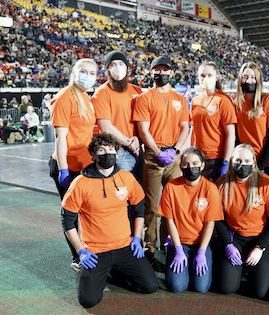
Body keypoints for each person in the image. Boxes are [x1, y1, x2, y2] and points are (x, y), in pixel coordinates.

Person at [61, 133, 158, 308]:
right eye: (102, 150)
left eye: (111, 149)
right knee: (88, 301)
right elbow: (67, 220)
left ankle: (113, 270)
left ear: (117, 152)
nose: (108, 154)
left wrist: (137, 238)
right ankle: (104, 270)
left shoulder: (126, 178)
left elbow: (140, 208)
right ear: (93, 155)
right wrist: (80, 251)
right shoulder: (80, 183)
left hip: (125, 247)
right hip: (96, 251)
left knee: (150, 286)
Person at [133, 56, 190, 267]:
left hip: (174, 157)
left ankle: (169, 244)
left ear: (171, 73)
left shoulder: (180, 99)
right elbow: (143, 130)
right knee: (151, 205)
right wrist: (158, 151)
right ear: (151, 73)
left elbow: (185, 127)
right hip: (153, 156)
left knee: (172, 205)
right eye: (157, 70)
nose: (161, 73)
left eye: (165, 70)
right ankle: (150, 248)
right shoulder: (145, 98)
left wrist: (175, 150)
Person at [49, 58, 98, 271]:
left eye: (92, 73)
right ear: (74, 72)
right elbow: (60, 139)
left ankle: (90, 248)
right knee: (71, 214)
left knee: (87, 212)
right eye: (83, 71)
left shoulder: (85, 97)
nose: (87, 76)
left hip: (85, 164)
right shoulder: (64, 98)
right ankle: (77, 256)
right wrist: (63, 169)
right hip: (68, 166)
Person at [157, 147, 224, 293]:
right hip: (179, 243)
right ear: (181, 166)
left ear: (202, 165)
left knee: (201, 287)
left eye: (195, 164)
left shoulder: (210, 188)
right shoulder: (171, 187)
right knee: (177, 287)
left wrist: (201, 252)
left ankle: (201, 257)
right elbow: (170, 221)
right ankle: (173, 253)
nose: (190, 167)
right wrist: (178, 250)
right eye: (186, 164)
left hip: (201, 244)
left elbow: (210, 223)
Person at [214, 144, 269, 299]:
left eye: (247, 160)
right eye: (238, 161)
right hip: (235, 238)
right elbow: (218, 219)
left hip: (260, 240)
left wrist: (260, 248)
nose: (242, 165)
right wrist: (228, 244)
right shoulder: (221, 184)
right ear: (231, 162)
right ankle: (239, 266)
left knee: (259, 291)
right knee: (226, 287)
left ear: (254, 163)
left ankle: (253, 267)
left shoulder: (266, 184)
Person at [92, 50, 142, 178]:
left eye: (120, 63)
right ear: (107, 70)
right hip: (118, 151)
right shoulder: (101, 93)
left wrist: (138, 140)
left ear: (127, 67)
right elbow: (106, 127)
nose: (117, 67)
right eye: (112, 64)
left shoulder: (137, 91)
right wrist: (130, 143)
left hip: (139, 148)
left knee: (139, 193)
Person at [235, 62, 269, 184]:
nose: (249, 81)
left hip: (268, 163)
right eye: (245, 77)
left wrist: (261, 164)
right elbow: (236, 137)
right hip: (245, 163)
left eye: (253, 77)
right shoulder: (237, 104)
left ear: (258, 80)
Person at [190, 61, 237, 182]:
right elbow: (193, 130)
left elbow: (231, 134)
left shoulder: (223, 100)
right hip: (198, 158)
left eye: (209, 75)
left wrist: (226, 162)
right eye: (202, 76)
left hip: (216, 158)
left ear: (217, 77)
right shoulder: (195, 101)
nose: (206, 78)